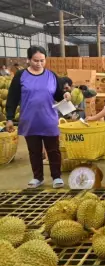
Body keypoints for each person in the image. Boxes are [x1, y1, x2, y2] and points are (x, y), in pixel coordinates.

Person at [5, 45, 71, 189]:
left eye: (42, 60)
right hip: (30, 120)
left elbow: (58, 95)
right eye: (36, 61)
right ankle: (38, 177)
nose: (39, 64)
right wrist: (9, 117)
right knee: (34, 151)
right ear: (28, 60)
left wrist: (65, 95)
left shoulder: (51, 75)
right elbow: (12, 97)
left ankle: (56, 177)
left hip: (49, 120)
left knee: (53, 150)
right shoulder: (21, 76)